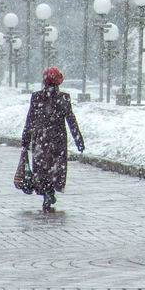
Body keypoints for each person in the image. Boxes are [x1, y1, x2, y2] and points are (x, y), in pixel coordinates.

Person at [21, 67, 85, 211]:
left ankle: (46, 192)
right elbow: (71, 120)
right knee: (55, 168)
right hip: (58, 139)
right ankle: (51, 191)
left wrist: (25, 140)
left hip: (40, 139)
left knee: (42, 168)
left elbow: (30, 120)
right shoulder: (63, 98)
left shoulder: (37, 97)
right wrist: (78, 140)